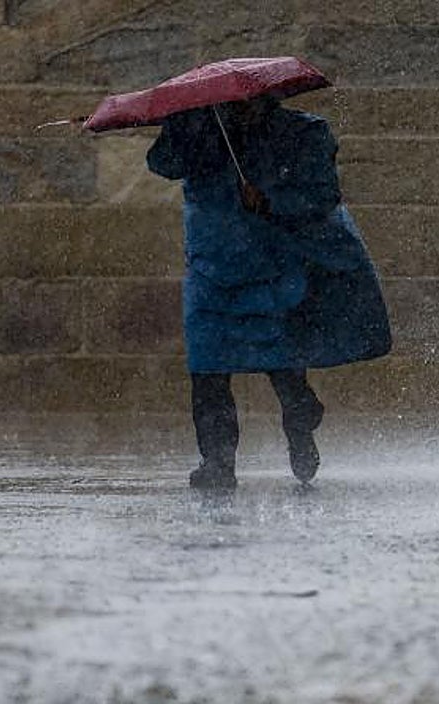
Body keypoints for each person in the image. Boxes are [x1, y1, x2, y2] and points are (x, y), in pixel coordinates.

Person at [146, 95, 392, 492]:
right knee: (208, 366)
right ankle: (217, 462)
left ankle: (300, 416)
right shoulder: (198, 125)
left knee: (279, 356)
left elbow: (323, 195)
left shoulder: (303, 131)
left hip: (271, 260)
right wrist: (182, 126)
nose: (240, 111)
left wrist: (271, 200)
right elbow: (162, 164)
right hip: (212, 263)